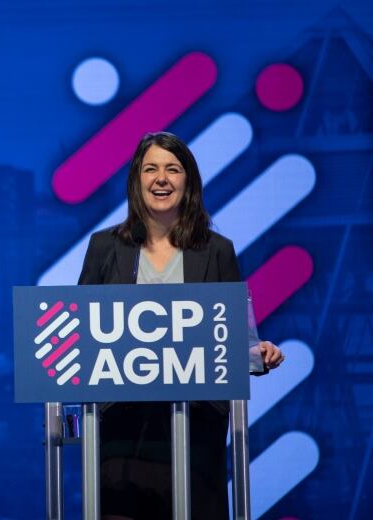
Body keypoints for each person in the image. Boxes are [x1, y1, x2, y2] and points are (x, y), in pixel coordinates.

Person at [77, 132, 284, 519]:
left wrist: (257, 354)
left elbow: (233, 337)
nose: (161, 178)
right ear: (136, 180)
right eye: (151, 168)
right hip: (123, 429)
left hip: (196, 428)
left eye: (173, 169)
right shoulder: (105, 248)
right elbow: (83, 334)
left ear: (188, 181)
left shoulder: (216, 250)